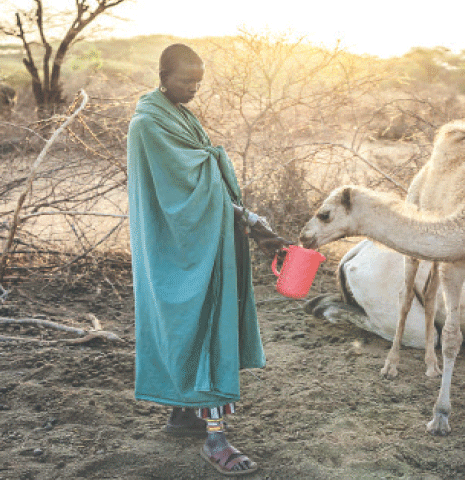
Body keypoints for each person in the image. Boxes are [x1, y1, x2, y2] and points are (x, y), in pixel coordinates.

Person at [127, 43, 288, 476]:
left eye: (199, 81)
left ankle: (184, 415)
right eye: (186, 81)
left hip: (199, 238)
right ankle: (215, 439)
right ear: (163, 76)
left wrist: (251, 223)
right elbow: (188, 189)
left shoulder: (177, 113)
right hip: (179, 246)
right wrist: (250, 219)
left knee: (199, 322)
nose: (194, 89)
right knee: (201, 323)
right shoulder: (148, 125)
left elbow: (203, 176)